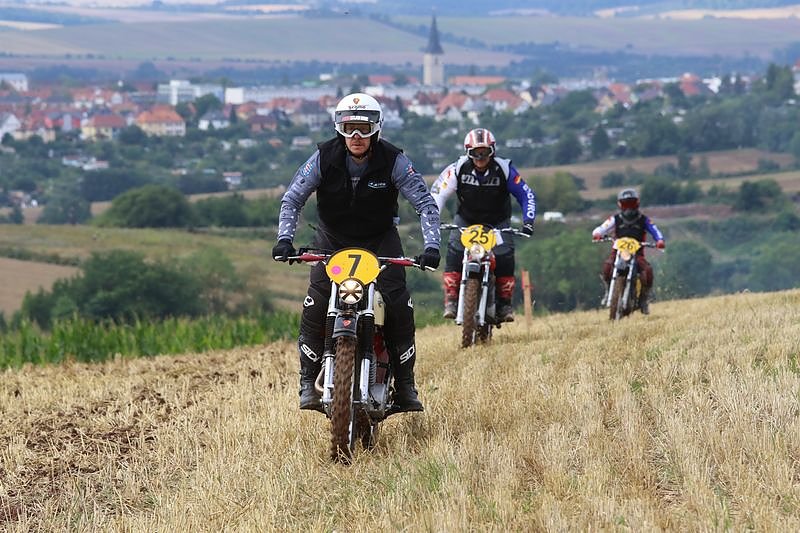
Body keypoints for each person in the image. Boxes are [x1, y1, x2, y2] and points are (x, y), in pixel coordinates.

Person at [272, 92, 441, 413]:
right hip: (331, 242)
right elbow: (292, 199)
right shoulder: (322, 158)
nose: (356, 136)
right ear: (339, 128)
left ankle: (405, 385)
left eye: (364, 128)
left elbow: (425, 204)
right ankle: (308, 381)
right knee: (315, 304)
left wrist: (432, 246)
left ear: (377, 128)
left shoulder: (394, 160)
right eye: (349, 128)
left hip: (380, 242)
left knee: (399, 306)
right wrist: (284, 239)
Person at [430, 127, 536, 322]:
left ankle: (504, 303)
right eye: (475, 153)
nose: (480, 158)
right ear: (467, 152)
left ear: (492, 151)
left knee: (504, 255)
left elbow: (526, 195)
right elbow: (438, 194)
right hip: (465, 221)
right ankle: (451, 299)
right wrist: (433, 218)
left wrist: (528, 222)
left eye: (484, 152)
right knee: (454, 251)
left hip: (497, 223)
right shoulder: (457, 168)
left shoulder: (504, 169)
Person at [591, 188, 665, 315]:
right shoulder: (615, 219)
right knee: (607, 267)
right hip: (618, 252)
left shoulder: (644, 220)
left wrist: (660, 240)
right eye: (626, 204)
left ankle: (643, 299)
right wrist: (597, 234)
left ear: (637, 203)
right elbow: (602, 228)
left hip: (637, 254)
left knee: (647, 271)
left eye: (631, 203)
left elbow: (656, 231)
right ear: (620, 204)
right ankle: (608, 290)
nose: (629, 207)